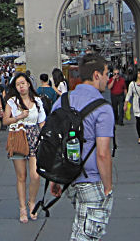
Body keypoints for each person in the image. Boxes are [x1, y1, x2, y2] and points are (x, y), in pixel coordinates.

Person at [49, 54, 114, 241]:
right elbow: (103, 153)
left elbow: (55, 141)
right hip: (92, 179)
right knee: (86, 236)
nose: (107, 78)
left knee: (82, 227)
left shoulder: (62, 101)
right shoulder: (102, 108)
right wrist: (108, 187)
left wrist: (56, 177)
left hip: (69, 176)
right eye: (106, 73)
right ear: (96, 75)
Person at [2, 72, 46, 223]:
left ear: (28, 84)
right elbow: (5, 121)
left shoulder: (38, 101)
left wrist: (47, 137)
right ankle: (22, 208)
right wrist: (18, 117)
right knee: (21, 176)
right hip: (18, 136)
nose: (21, 87)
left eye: (23, 83)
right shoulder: (12, 102)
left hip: (34, 136)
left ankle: (32, 201)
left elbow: (42, 122)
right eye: (17, 84)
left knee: (35, 175)